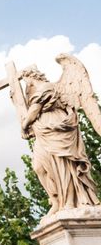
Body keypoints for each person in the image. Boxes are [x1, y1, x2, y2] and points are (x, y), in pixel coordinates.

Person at [20, 68, 99, 213]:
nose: (26, 84)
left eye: (26, 80)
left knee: (64, 166)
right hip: (43, 130)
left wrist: (24, 126)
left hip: (56, 126)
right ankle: (56, 201)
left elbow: (34, 111)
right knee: (38, 167)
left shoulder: (46, 87)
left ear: (30, 77)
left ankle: (69, 201)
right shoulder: (36, 91)